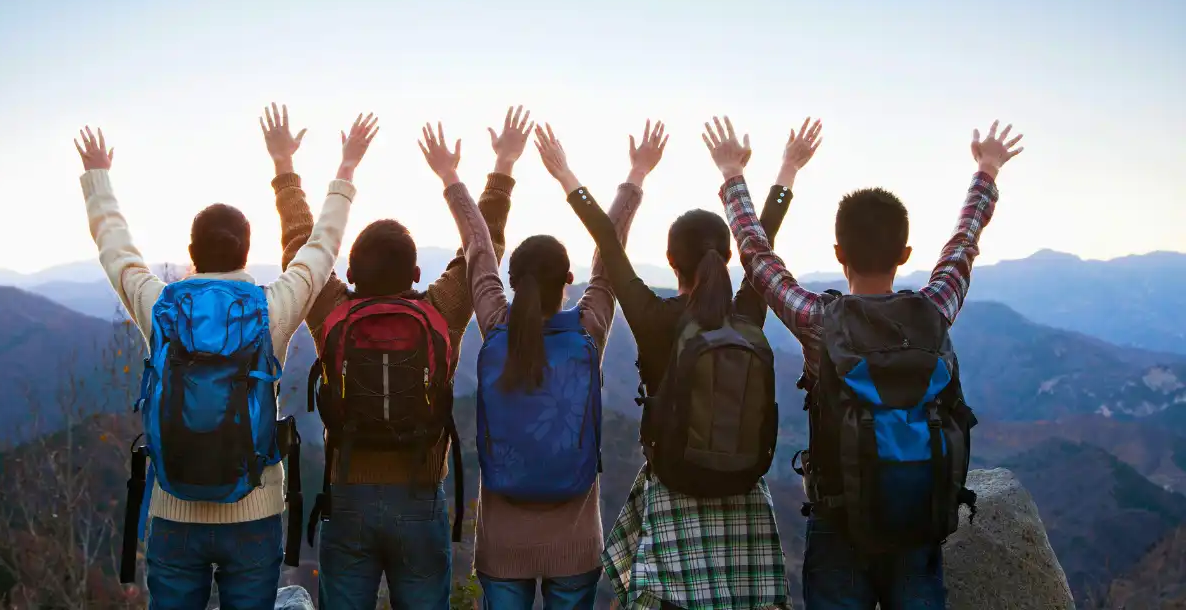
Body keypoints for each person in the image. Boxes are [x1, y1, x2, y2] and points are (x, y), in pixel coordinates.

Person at [710, 116, 1024, 610]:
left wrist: (732, 174)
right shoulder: (935, 310)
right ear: (905, 254)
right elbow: (964, 243)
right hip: (919, 516)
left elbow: (756, 254)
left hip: (840, 522)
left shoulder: (819, 321)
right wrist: (987, 168)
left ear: (839, 254)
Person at [74, 103, 364, 610]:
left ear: (192, 251)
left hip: (174, 509)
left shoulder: (161, 308)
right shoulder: (270, 309)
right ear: (246, 252)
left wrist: (98, 176)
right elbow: (320, 250)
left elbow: (116, 252)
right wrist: (342, 170)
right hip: (253, 511)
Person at [266, 106, 534, 610]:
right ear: (415, 272)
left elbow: (301, 250)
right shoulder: (440, 311)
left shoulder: (333, 314)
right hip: (419, 494)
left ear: (349, 267)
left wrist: (291, 166)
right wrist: (500, 166)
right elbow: (483, 249)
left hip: (347, 498)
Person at [565, 119, 817, 610]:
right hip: (744, 496)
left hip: (674, 492)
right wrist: (786, 170)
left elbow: (608, 245)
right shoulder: (745, 313)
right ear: (728, 257)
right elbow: (762, 242)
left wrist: (571, 176)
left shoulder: (654, 318)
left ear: (669, 259)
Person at [423, 121, 657, 609]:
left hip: (502, 545)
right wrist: (635, 177)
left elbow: (478, 246)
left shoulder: (495, 324)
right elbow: (608, 256)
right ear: (568, 280)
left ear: (511, 283)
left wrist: (452, 176)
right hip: (573, 544)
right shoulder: (588, 330)